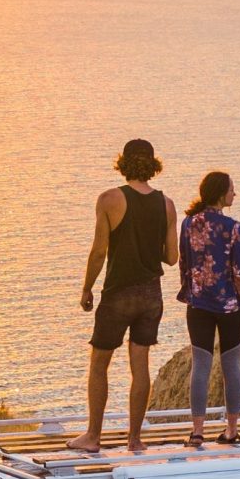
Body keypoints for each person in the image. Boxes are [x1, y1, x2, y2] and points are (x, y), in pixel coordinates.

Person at [69, 138, 175, 453]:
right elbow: (171, 258)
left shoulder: (109, 200)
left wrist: (87, 287)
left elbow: (99, 251)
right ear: (153, 164)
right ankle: (134, 439)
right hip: (151, 295)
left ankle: (92, 436)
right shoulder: (166, 204)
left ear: (124, 162)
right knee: (139, 365)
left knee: (100, 363)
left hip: (118, 295)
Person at [175, 169, 240, 446]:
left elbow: (184, 263)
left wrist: (191, 292)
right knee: (231, 366)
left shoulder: (188, 224)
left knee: (200, 365)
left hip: (198, 303)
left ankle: (197, 432)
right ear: (222, 194)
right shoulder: (233, 227)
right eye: (232, 188)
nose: (235, 193)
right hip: (230, 306)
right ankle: (231, 431)